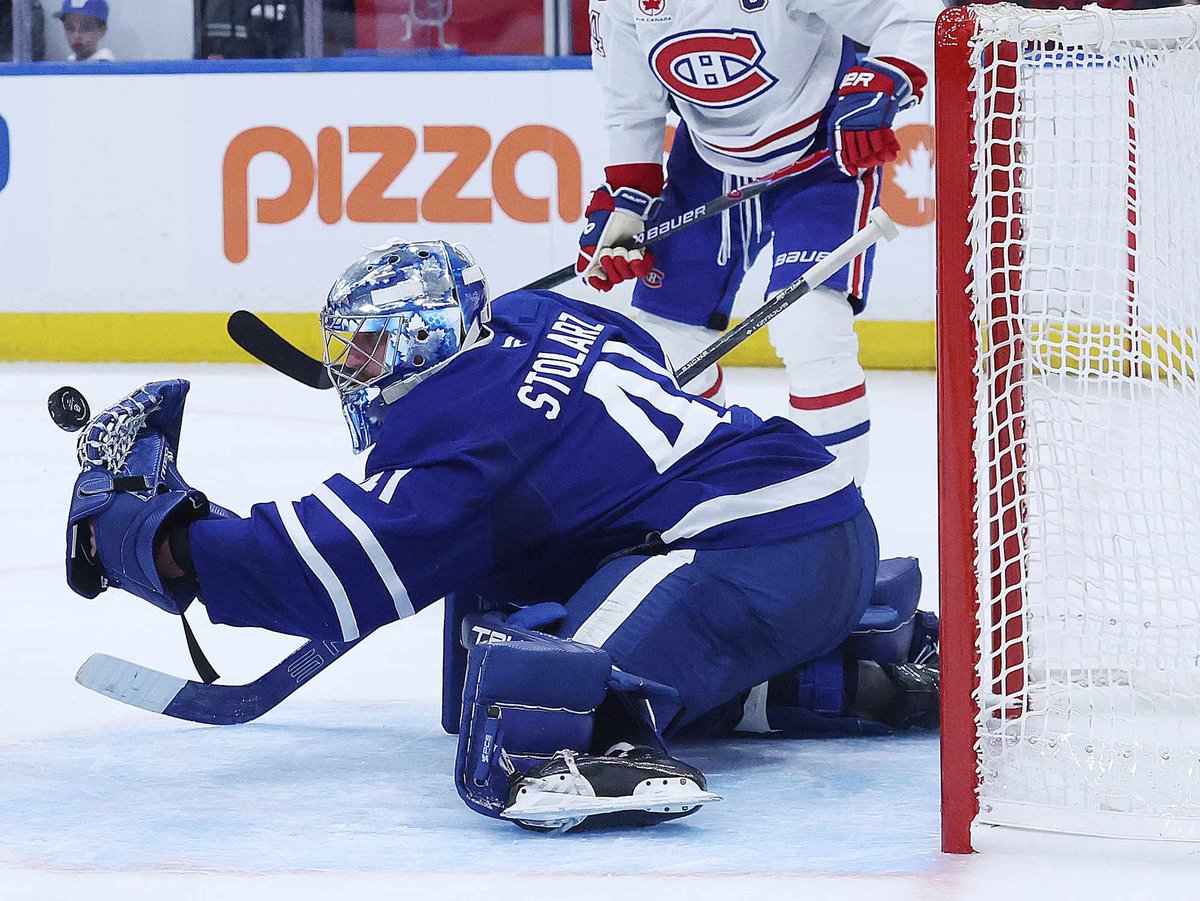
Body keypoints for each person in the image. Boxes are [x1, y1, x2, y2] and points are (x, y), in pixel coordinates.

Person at [65, 239, 936, 832]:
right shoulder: (535, 315)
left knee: (534, 705)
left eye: (365, 351)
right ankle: (831, 678)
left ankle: (605, 748)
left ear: (423, 341)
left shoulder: (471, 447)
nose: (348, 372)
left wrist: (155, 538)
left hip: (754, 547)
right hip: (819, 522)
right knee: (521, 596)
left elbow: (329, 559)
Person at [577, 0, 942, 488]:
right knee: (668, 352)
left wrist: (885, 78)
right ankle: (704, 510)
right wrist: (627, 207)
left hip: (818, 156)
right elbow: (631, 101)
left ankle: (836, 531)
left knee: (810, 327)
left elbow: (912, 12)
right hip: (706, 164)